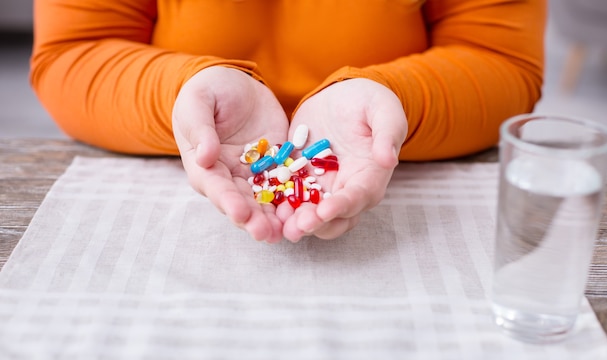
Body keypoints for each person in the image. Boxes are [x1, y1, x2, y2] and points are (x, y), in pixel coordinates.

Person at [30, 0, 546, 244]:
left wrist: (395, 97)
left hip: (405, 206)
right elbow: (70, 54)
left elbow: (502, 60)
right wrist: (183, 90)